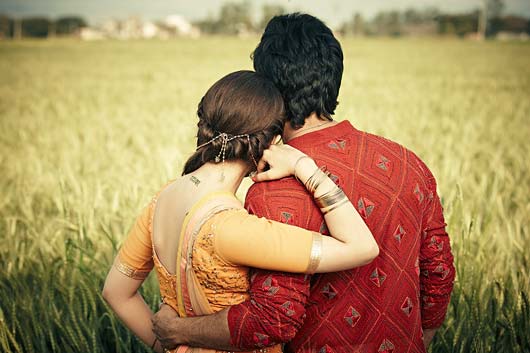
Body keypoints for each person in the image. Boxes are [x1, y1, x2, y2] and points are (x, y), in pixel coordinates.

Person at [152, 13, 455, 353]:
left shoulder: (271, 188)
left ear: (269, 92)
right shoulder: (409, 164)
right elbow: (439, 273)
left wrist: (178, 330)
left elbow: (273, 320)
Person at [102, 70, 379, 352]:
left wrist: (170, 347)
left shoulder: (162, 199)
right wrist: (304, 167)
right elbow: (361, 246)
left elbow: (116, 292)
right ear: (271, 143)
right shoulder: (231, 229)